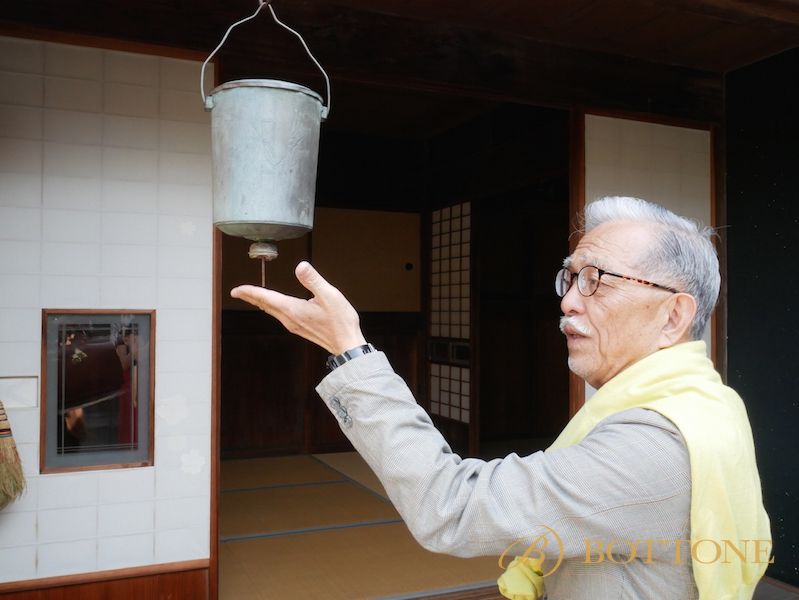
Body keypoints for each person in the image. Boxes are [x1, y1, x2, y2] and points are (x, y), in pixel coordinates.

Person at [231, 196, 770, 600]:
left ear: (673, 315)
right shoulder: (708, 403)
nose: (568, 304)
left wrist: (350, 351)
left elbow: (453, 508)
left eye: (597, 280)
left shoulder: (656, 444)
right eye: (570, 278)